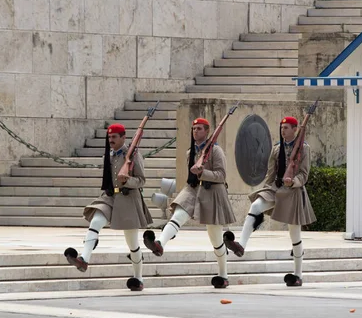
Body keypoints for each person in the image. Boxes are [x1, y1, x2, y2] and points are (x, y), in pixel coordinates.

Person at [143, 117, 236, 289]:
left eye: (200, 129)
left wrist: (203, 172)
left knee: (215, 238)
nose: (196, 132)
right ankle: (160, 244)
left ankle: (223, 274)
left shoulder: (216, 151)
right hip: (193, 189)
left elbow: (221, 176)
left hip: (213, 192)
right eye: (194, 129)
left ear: (207, 132)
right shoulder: (190, 152)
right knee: (177, 216)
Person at [223, 116, 316, 287]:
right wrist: (267, 190)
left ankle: (298, 274)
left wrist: (293, 181)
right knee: (256, 205)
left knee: (294, 233)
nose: (283, 130)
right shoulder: (276, 149)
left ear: (295, 129)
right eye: (281, 127)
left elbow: (304, 174)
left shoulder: (304, 149)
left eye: (286, 128)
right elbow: (271, 174)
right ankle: (241, 245)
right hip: (276, 188)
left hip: (293, 192)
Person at [64, 123, 152, 291]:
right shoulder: (109, 155)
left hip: (128, 198)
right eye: (109, 137)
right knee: (96, 220)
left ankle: (138, 278)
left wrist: (128, 180)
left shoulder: (132, 155)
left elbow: (142, 180)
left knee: (132, 243)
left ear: (123, 137)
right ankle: (84, 258)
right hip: (111, 196)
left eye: (114, 137)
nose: (110, 140)